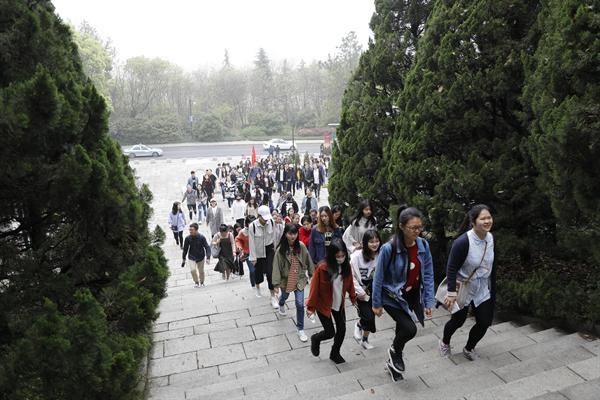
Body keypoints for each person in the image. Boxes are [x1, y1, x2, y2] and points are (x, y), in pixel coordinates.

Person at [371, 205, 435, 382]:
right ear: (401, 226)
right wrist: (376, 303)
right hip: (392, 296)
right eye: (413, 228)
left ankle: (393, 367)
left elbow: (428, 275)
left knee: (402, 329)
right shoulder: (389, 248)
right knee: (410, 329)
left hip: (411, 295)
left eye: (419, 227)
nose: (417, 231)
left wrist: (429, 301)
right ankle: (394, 351)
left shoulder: (423, 245)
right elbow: (378, 277)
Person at [439, 204, 496, 361]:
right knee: (458, 321)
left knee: (484, 322)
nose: (487, 221)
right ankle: (444, 342)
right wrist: (451, 292)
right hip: (463, 286)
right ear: (473, 221)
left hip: (482, 287)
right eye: (483, 218)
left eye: (489, 217)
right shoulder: (463, 242)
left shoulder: (491, 238)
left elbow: (491, 264)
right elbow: (451, 268)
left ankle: (469, 348)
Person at [306, 238, 357, 364]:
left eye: (343, 256)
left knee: (342, 329)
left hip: (339, 303)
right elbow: (314, 288)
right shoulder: (322, 268)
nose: (341, 258)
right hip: (323, 304)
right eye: (338, 256)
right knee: (330, 332)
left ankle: (335, 353)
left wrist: (353, 297)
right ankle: (316, 338)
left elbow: (350, 283)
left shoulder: (346, 266)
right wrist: (310, 307)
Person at [272, 224, 314, 343]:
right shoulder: (280, 250)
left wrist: (312, 273)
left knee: (300, 304)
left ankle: (300, 329)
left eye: (295, 233)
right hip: (286, 280)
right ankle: (281, 303)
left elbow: (308, 259)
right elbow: (276, 267)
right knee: (284, 296)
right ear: (285, 234)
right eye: (290, 233)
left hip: (299, 279)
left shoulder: (301, 246)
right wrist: (276, 284)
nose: (293, 236)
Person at [351, 229, 381, 350]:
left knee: (371, 318)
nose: (375, 244)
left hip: (374, 289)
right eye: (371, 242)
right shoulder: (356, 257)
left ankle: (364, 340)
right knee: (368, 317)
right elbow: (351, 276)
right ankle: (359, 324)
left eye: (377, 241)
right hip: (360, 289)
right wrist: (360, 292)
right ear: (365, 243)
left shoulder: (380, 255)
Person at [248, 205, 279, 308]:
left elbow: (274, 237)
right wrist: (253, 258)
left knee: (270, 273)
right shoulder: (252, 226)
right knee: (258, 273)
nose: (266, 220)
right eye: (264, 218)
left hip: (269, 250)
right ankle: (257, 287)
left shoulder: (271, 222)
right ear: (259, 216)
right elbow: (251, 243)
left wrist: (276, 250)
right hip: (258, 252)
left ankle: (273, 296)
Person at [182, 223, 211, 287]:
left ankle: (202, 282)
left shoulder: (202, 237)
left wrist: (208, 257)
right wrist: (183, 258)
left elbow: (207, 247)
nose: (190, 231)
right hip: (191, 257)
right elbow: (185, 249)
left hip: (201, 256)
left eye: (192, 230)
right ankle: (196, 282)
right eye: (189, 230)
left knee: (201, 271)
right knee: (193, 270)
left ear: (196, 230)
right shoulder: (187, 238)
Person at [236, 216, 257, 291]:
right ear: (247, 223)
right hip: (248, 254)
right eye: (250, 223)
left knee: (257, 269)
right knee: (252, 270)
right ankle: (253, 284)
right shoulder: (243, 232)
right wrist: (240, 247)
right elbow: (237, 240)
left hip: (258, 253)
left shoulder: (258, 229)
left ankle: (257, 281)